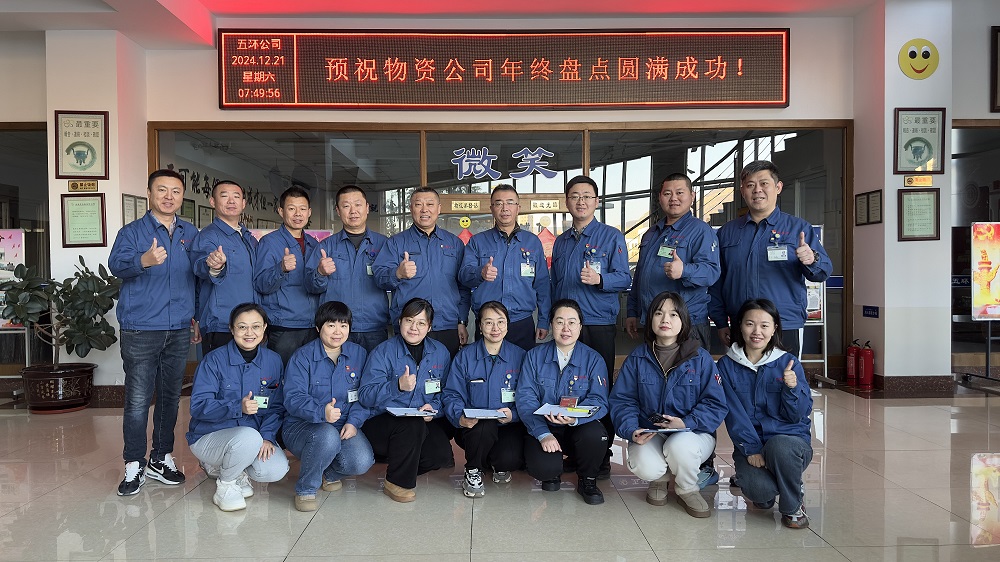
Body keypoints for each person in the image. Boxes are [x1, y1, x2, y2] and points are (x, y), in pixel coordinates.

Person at [625, 173, 722, 490]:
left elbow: (712, 272)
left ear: (691, 197)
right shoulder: (651, 234)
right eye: (667, 193)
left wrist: (685, 271)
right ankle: (661, 454)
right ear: (659, 198)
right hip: (653, 323)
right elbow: (640, 276)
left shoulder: (700, 231)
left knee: (693, 390)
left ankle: (702, 465)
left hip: (688, 326)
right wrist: (633, 311)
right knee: (656, 386)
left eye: (680, 192)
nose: (674, 198)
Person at [109, 169, 197, 496]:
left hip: (178, 328)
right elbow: (116, 265)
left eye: (175, 191)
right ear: (149, 193)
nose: (169, 196)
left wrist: (195, 317)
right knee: (138, 399)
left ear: (182, 196)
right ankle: (134, 462)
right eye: (162, 190)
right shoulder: (132, 232)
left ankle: (161, 458)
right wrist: (143, 260)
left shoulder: (190, 233)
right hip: (141, 328)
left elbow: (195, 278)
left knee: (171, 397)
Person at [609, 291, 726, 517]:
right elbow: (623, 400)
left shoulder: (700, 358)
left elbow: (715, 404)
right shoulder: (638, 358)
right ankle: (660, 479)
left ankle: (687, 488)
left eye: (673, 314)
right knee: (643, 462)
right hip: (652, 432)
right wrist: (631, 429)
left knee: (679, 447)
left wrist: (686, 422)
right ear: (650, 318)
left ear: (683, 321)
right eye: (659, 313)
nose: (665, 320)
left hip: (693, 433)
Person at [708, 160, 832, 357]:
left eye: (764, 183)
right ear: (742, 191)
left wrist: (812, 259)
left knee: (784, 375)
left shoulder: (798, 229)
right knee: (740, 375)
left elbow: (823, 272)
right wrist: (721, 321)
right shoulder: (727, 232)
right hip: (741, 324)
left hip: (784, 324)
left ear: (778, 187)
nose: (757, 190)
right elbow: (716, 281)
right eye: (750, 185)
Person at [550, 175, 631, 477]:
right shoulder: (561, 242)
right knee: (567, 385)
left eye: (586, 196)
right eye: (574, 196)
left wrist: (601, 279)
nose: (580, 201)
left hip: (597, 324)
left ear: (596, 202)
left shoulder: (611, 237)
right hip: (565, 328)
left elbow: (625, 278)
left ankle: (601, 453)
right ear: (567, 202)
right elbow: (555, 284)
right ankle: (574, 449)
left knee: (598, 387)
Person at [717, 298, 813, 529]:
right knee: (760, 493)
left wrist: (792, 388)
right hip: (751, 446)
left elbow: (798, 416)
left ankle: (793, 505)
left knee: (780, 447)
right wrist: (751, 449)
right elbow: (733, 414)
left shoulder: (788, 362)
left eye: (764, 325)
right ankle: (776, 483)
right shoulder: (726, 366)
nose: (756, 332)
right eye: (750, 324)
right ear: (740, 326)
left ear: (774, 329)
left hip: (789, 443)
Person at [186, 303, 290, 512]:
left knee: (275, 469)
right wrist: (236, 407)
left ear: (264, 328)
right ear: (232, 329)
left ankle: (237, 469)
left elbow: (276, 407)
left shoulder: (273, 360)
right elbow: (198, 406)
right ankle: (226, 484)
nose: (249, 333)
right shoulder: (214, 360)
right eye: (242, 327)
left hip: (252, 437)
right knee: (248, 437)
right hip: (210, 436)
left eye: (256, 326)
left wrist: (268, 437)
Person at [282, 301, 375, 511]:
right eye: (331, 325)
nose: (337, 331)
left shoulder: (359, 354)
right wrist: (320, 412)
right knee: (326, 436)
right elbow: (293, 398)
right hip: (302, 425)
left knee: (361, 461)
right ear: (318, 328)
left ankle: (329, 474)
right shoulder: (302, 357)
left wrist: (353, 422)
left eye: (343, 325)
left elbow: (365, 395)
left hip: (343, 424)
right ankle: (306, 489)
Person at [358, 298, 454, 502]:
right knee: (412, 425)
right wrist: (397, 386)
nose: (414, 328)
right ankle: (397, 482)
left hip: (421, 420)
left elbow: (447, 391)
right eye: (409, 320)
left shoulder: (440, 353)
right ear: (400, 321)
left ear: (429, 327)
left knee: (441, 456)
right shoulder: (383, 352)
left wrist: (434, 407)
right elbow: (365, 395)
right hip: (382, 421)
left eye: (421, 323)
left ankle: (399, 463)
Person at [515, 299, 609, 505]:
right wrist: (543, 434)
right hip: (545, 425)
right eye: (559, 322)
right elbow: (525, 398)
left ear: (580, 327)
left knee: (595, 435)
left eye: (572, 322)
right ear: (551, 325)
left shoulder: (594, 359)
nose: (566, 329)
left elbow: (599, 401)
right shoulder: (534, 356)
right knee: (544, 469)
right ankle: (553, 469)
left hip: (578, 426)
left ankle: (588, 479)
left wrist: (574, 418)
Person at [442, 301, 527, 498]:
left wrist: (513, 415)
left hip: (507, 424)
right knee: (484, 428)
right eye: (488, 322)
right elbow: (452, 393)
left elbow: (529, 396)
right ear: (480, 326)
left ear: (507, 325)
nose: (495, 328)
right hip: (473, 427)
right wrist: (460, 417)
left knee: (509, 460)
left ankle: (492, 460)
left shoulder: (521, 356)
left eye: (500, 322)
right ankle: (473, 468)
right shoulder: (465, 356)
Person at [373, 187, 471, 357]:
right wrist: (397, 273)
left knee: (446, 371)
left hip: (447, 324)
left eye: (430, 204)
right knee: (408, 372)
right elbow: (379, 277)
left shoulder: (454, 243)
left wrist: (461, 321)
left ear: (439, 209)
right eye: (418, 204)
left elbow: (463, 286)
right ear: (411, 208)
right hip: (411, 326)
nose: (424, 209)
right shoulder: (396, 243)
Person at [458, 184, 551, 350]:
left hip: (522, 323)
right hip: (488, 323)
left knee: (524, 366)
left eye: (510, 202)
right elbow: (464, 276)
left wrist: (544, 320)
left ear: (518, 208)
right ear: (492, 209)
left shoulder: (532, 242)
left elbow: (542, 285)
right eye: (499, 203)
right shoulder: (477, 241)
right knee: (486, 365)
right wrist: (480, 272)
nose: (504, 208)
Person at [305, 185, 390, 353]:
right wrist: (320, 273)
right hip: (336, 328)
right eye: (346, 206)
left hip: (373, 327)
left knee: (375, 368)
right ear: (338, 210)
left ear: (367, 208)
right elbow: (310, 287)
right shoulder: (326, 246)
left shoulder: (384, 244)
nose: (353, 211)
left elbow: (391, 282)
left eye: (358, 205)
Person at [190, 180, 259, 355]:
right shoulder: (208, 236)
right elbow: (200, 267)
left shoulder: (249, 238)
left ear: (243, 203)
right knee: (221, 371)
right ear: (212, 202)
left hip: (250, 324)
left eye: (236, 196)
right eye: (224, 196)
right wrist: (213, 265)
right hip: (222, 324)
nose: (231, 201)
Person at [254, 186, 320, 364]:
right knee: (282, 375)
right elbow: (260, 284)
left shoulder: (314, 245)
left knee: (308, 375)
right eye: (291, 208)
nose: (298, 214)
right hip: (284, 326)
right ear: (281, 211)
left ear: (309, 212)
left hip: (312, 325)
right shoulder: (269, 243)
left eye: (302, 209)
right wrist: (280, 268)